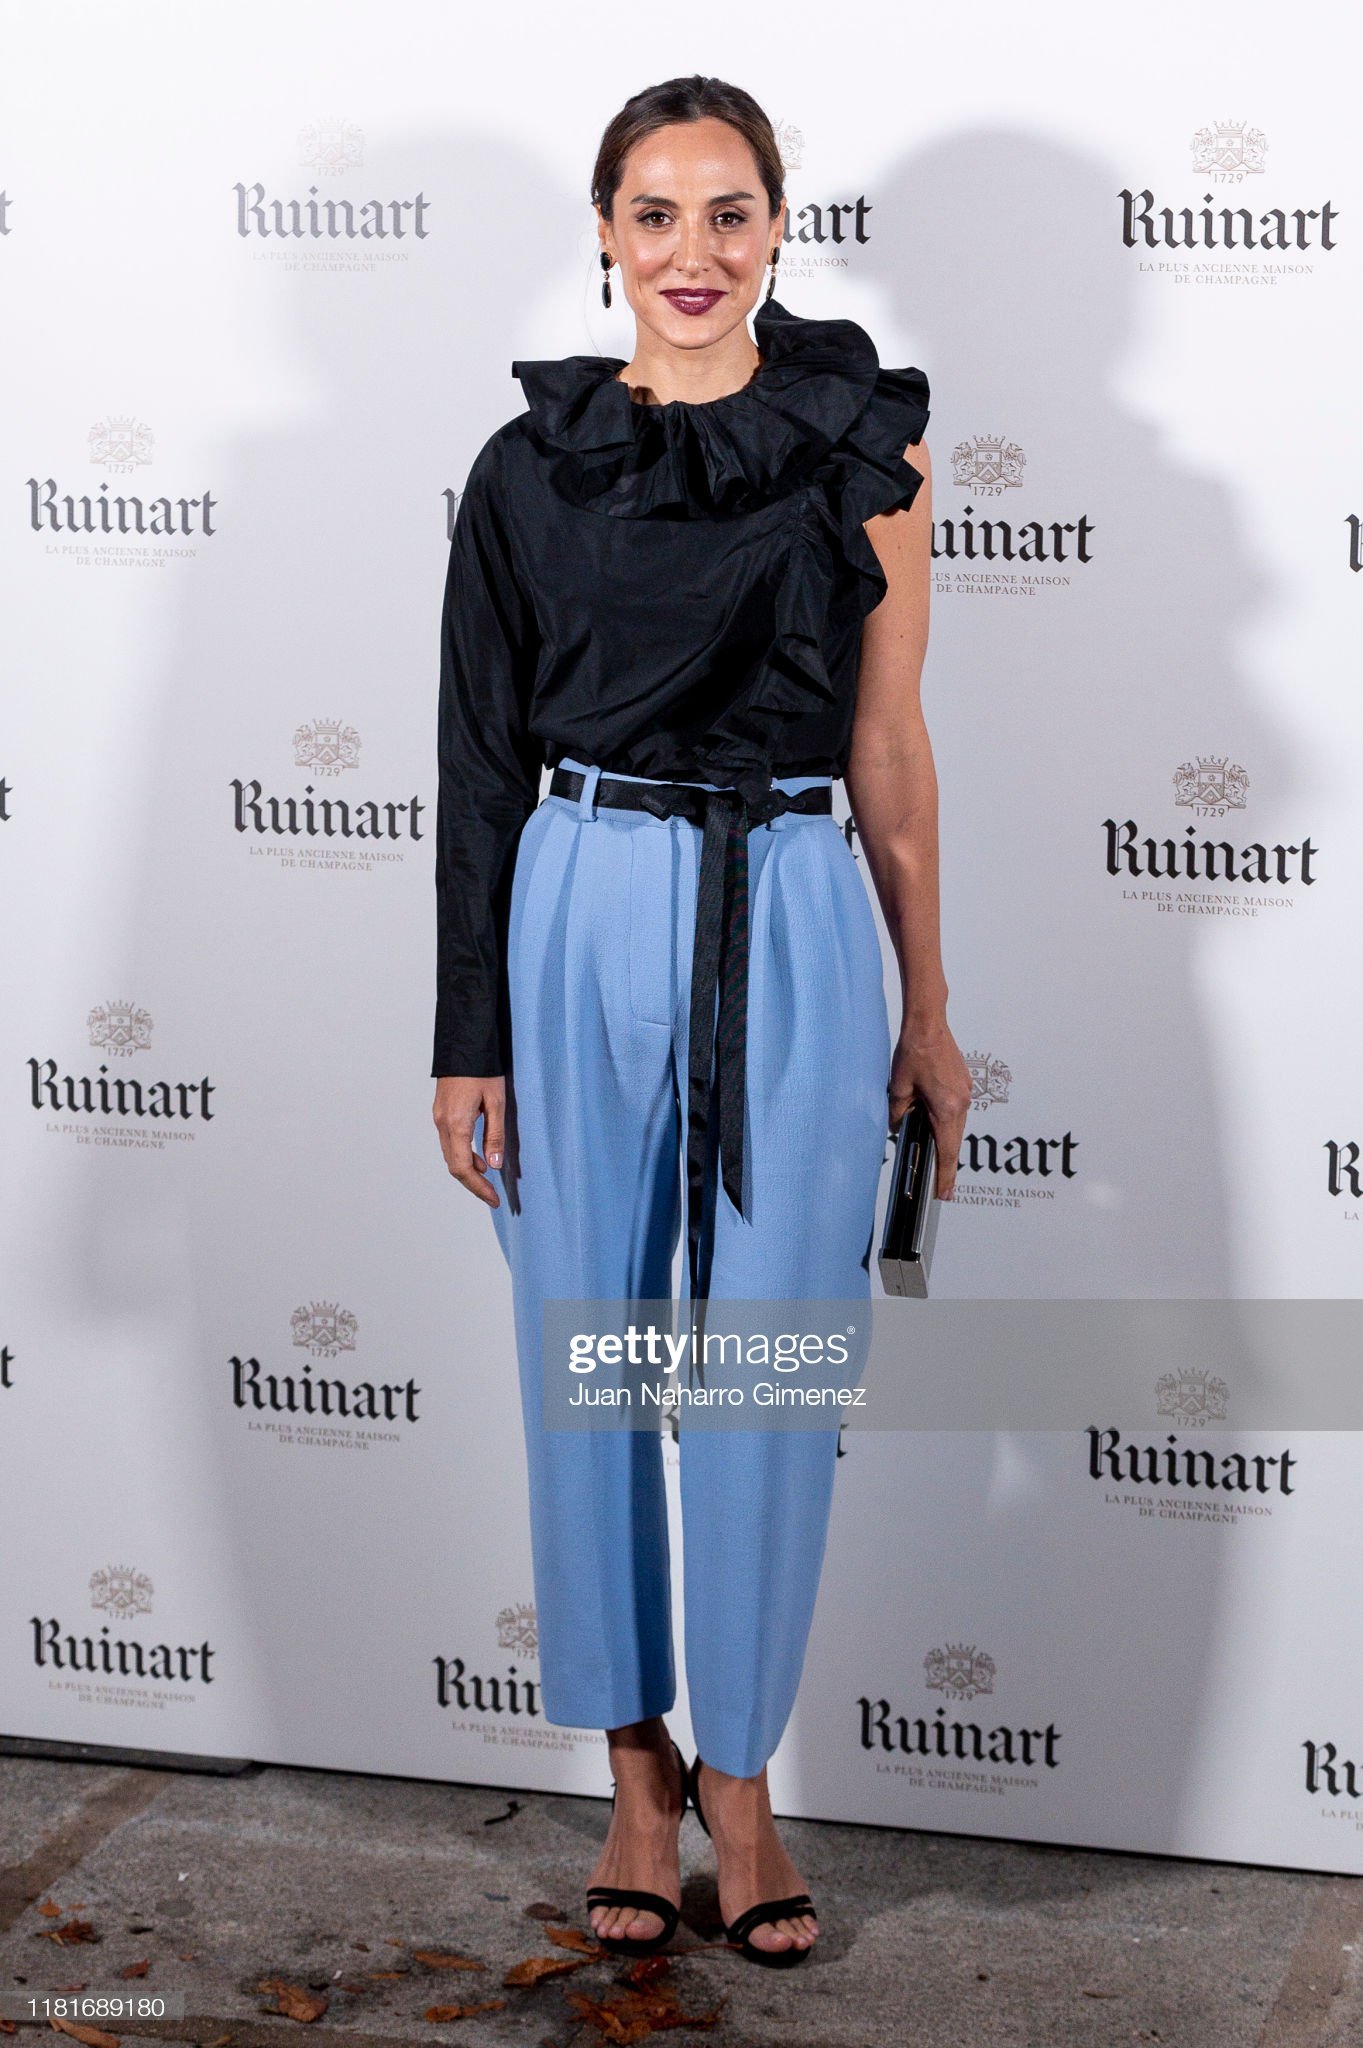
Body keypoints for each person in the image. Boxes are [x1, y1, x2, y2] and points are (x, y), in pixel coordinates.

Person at [432, 73, 971, 1968]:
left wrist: (928, 1006)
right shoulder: (528, 468)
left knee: (771, 1370)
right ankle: (635, 1775)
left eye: (728, 212)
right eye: (654, 213)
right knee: (587, 1353)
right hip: (578, 900)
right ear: (604, 234)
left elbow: (889, 749)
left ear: (777, 228)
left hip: (799, 904)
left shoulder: (867, 449)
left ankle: (743, 1780)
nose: (692, 251)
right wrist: (468, 1036)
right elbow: (478, 764)